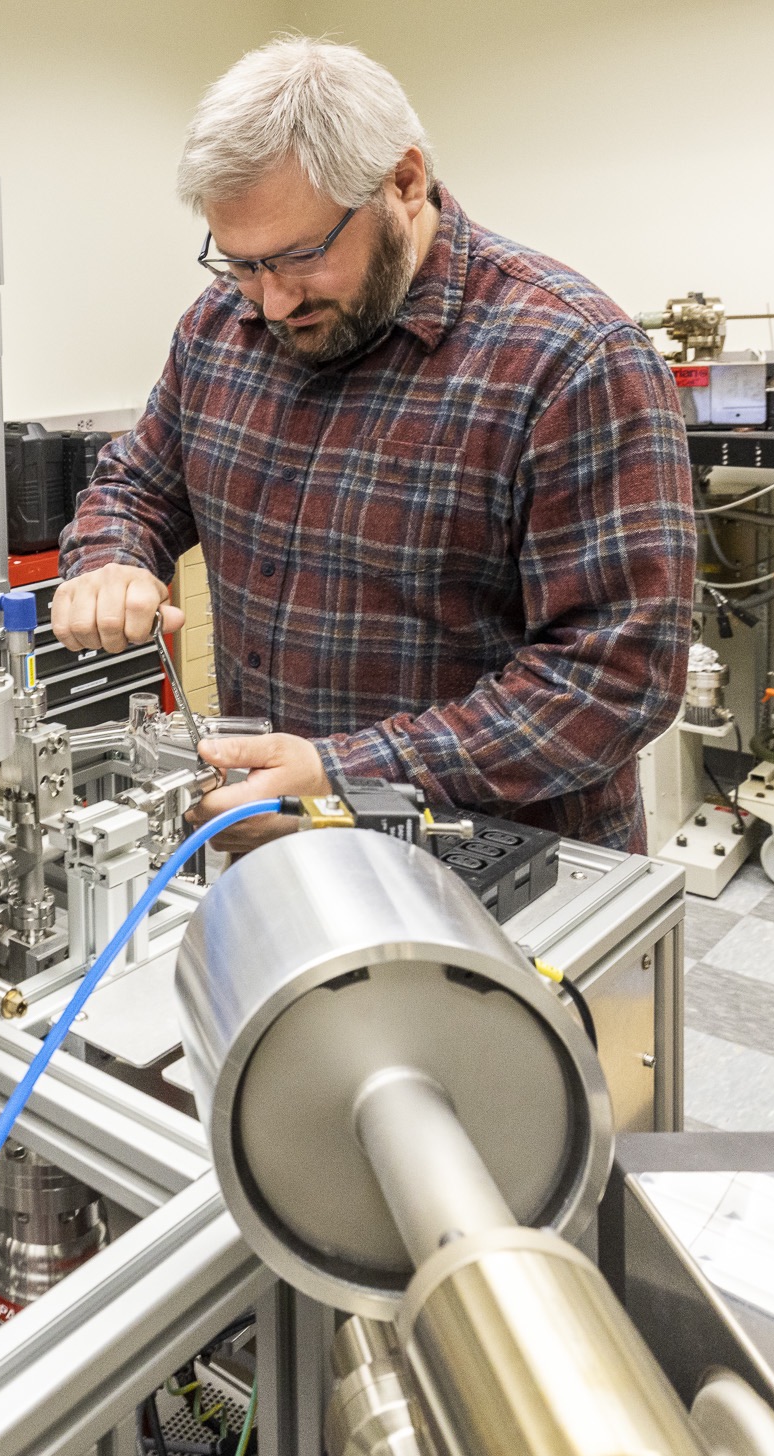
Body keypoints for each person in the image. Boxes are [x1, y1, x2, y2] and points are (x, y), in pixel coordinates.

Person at [53, 36, 691, 851]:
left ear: (405, 181)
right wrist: (110, 557)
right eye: (241, 264)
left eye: (299, 257)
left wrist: (348, 775)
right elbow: (136, 485)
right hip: (279, 849)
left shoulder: (571, 358)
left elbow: (615, 679)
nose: (273, 303)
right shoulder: (220, 328)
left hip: (490, 866)